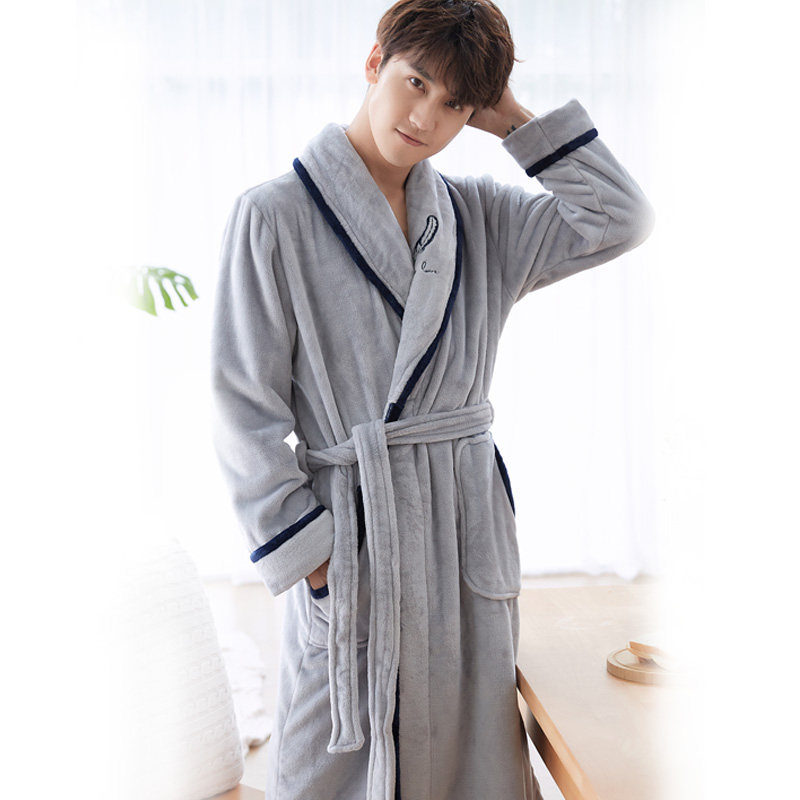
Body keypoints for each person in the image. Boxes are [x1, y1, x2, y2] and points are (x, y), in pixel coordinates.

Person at [210, 1, 655, 798]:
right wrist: (317, 563)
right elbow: (244, 409)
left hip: (462, 532)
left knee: (470, 753)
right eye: (415, 83)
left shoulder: (479, 218)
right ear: (374, 62)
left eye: (454, 104)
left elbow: (619, 218)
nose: (425, 118)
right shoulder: (273, 216)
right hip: (355, 539)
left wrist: (510, 116)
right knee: (331, 761)